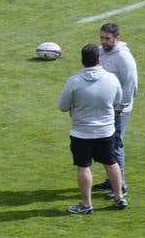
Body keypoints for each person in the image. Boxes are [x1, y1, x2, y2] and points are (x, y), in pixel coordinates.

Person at [58, 44, 125, 213]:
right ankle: (119, 197)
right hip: (106, 131)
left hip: (81, 132)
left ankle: (86, 205)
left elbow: (62, 106)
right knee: (111, 162)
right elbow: (118, 100)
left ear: (82, 61)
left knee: (83, 166)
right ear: (98, 60)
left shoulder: (74, 81)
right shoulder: (111, 79)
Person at [95, 22, 138, 198]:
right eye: (102, 38)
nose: (103, 42)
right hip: (106, 108)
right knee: (107, 145)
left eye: (107, 38)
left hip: (119, 110)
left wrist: (120, 108)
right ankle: (111, 179)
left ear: (116, 38)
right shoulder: (101, 51)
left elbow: (131, 84)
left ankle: (120, 186)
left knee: (115, 145)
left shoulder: (124, 58)